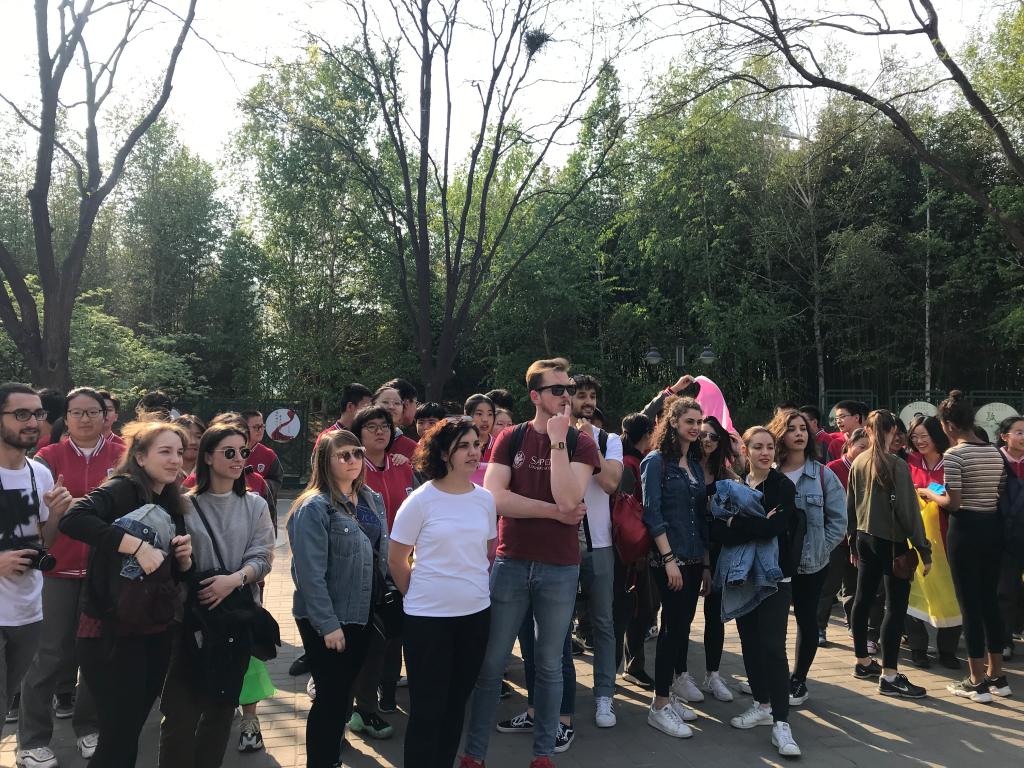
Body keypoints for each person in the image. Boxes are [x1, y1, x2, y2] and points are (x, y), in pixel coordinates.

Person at [460, 357, 599, 768]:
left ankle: (542, 755)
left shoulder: (580, 442)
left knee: (550, 664)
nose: (566, 395)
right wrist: (555, 513)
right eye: (557, 389)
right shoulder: (511, 437)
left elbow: (571, 498)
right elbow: (495, 498)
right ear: (535, 395)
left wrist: (557, 441)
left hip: (559, 567)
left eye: (569, 388)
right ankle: (474, 754)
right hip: (512, 562)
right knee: (491, 664)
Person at [58, 418, 194, 768]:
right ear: (140, 456)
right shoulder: (122, 488)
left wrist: (183, 561)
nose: (175, 460)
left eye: (179, 452)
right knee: (118, 734)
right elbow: (74, 519)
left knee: (128, 731)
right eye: (165, 451)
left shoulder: (171, 500)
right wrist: (135, 545)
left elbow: (168, 576)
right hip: (110, 632)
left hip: (154, 629)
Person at [158, 420, 275, 767]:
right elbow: (172, 565)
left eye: (243, 452)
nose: (239, 459)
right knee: (179, 713)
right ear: (207, 457)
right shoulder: (183, 504)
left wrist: (234, 580)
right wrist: (183, 562)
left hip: (235, 621)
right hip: (192, 620)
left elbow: (263, 557)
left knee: (221, 711)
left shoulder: (255, 504)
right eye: (229, 452)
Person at [17, 388, 123, 766]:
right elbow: (38, 516)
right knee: (48, 655)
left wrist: (73, 507)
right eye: (76, 412)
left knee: (96, 654)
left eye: (93, 411)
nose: (85, 419)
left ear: (105, 416)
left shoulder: (123, 456)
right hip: (57, 570)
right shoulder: (47, 457)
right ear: (66, 416)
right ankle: (32, 741)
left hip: (104, 571)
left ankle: (89, 728)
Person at [388, 420, 496, 768]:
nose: (473, 452)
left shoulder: (485, 499)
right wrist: (418, 595)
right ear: (443, 453)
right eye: (464, 445)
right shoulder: (421, 501)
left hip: (475, 616)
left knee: (455, 706)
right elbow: (396, 559)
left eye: (476, 444)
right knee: (427, 710)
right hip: (428, 621)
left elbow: (488, 552)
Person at [288, 429, 388, 768]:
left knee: (343, 692)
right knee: (330, 698)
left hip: (363, 611)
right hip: (328, 617)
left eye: (357, 453)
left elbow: (380, 553)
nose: (353, 460)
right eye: (343, 455)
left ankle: (330, 755)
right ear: (324, 461)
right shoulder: (314, 507)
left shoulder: (370, 498)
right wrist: (328, 624)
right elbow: (308, 574)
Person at [710, 426, 802, 757]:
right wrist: (748, 524)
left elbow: (774, 527)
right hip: (741, 575)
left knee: (773, 647)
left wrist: (737, 523)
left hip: (775, 578)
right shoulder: (734, 486)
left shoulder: (782, 485)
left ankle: (782, 723)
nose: (765, 453)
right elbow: (719, 531)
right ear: (745, 450)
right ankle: (762, 705)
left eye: (769, 447)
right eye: (758, 447)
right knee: (749, 642)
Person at [846, 409, 931, 699]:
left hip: (864, 538)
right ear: (892, 431)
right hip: (892, 543)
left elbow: (850, 504)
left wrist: (852, 540)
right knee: (894, 608)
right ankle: (890, 676)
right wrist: (924, 549)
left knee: (863, 598)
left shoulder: (859, 461)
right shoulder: (896, 465)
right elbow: (909, 514)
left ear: (868, 431)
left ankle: (862, 661)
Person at [1, 384, 69, 737]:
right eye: (21, 414)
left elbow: (46, 541)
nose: (32, 422)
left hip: (27, 610)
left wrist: (56, 514)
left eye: (37, 414)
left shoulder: (39, 473)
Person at [766, 409, 847, 707]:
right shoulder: (769, 473)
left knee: (806, 619)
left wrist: (819, 548)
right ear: (780, 434)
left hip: (811, 563)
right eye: (791, 428)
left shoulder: (822, 475)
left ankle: (798, 680)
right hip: (772, 562)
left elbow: (838, 521)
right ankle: (769, 675)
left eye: (803, 428)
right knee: (770, 621)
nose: (799, 433)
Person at [934, 391, 1010, 703]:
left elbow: (953, 503)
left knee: (969, 606)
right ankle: (997, 675)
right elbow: (999, 491)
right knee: (989, 601)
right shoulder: (995, 452)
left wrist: (930, 493)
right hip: (992, 528)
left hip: (965, 530)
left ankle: (976, 681)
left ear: (949, 425)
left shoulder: (954, 455)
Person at [640, 396, 708, 738]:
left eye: (699, 422)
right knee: (671, 631)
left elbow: (700, 515)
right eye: (689, 422)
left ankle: (669, 694)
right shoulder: (656, 462)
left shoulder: (694, 463)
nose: (695, 428)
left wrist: (705, 563)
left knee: (680, 629)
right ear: (674, 423)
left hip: (694, 558)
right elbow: (652, 513)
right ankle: (660, 705)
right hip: (670, 559)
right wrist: (669, 560)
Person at [349, 405, 415, 737]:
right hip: (364, 567)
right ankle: (361, 705)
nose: (380, 432)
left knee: (395, 633)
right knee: (368, 639)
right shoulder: (351, 469)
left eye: (385, 426)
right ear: (358, 433)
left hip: (401, 562)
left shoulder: (403, 467)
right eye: (371, 426)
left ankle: (386, 695)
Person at [570, 375, 623, 728]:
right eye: (581, 395)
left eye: (592, 396)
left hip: (600, 543)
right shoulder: (553, 438)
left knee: (604, 622)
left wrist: (591, 442)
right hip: (559, 544)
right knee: (557, 625)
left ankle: (605, 695)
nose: (588, 402)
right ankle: (561, 694)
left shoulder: (609, 439)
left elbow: (610, 483)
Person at [905, 415, 962, 670]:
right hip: (914, 540)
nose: (919, 442)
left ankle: (947, 650)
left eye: (924, 436)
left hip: (947, 539)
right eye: (915, 437)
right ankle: (918, 649)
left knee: (950, 593)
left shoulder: (951, 462)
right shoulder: (908, 462)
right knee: (914, 593)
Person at [696, 415, 737, 702]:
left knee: (715, 616)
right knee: (681, 617)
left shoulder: (726, 476)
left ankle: (713, 674)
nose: (707, 440)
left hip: (719, 552)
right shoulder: (685, 470)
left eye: (713, 436)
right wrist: (704, 564)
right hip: (690, 551)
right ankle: (679, 676)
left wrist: (737, 452)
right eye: (702, 435)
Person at [817, 428, 869, 644]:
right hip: (836, 538)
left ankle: (854, 625)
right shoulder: (832, 469)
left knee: (854, 586)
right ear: (849, 445)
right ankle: (819, 628)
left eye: (870, 448)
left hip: (860, 536)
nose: (865, 452)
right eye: (862, 447)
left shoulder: (869, 469)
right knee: (829, 586)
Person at [618, 413, 657, 690]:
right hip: (634, 551)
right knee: (640, 609)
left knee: (643, 608)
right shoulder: (630, 465)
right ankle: (632, 666)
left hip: (637, 549)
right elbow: (625, 515)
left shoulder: (634, 460)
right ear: (646, 434)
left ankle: (632, 664)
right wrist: (637, 552)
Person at [997, 415, 1024, 660]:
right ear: (1004, 436)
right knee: (1006, 590)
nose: (1023, 437)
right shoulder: (996, 461)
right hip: (1003, 537)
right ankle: (1004, 640)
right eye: (1019, 432)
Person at [241, 410, 284, 509]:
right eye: (256, 427)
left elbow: (277, 480)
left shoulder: (269, 454)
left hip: (260, 508)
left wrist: (260, 484)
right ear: (243, 428)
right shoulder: (232, 451)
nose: (260, 430)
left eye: (262, 426)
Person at [373, 386, 418, 459]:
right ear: (372, 405)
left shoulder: (413, 449)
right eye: (385, 402)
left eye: (397, 403)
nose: (391, 407)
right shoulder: (357, 440)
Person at [465, 394, 497, 485]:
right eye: (479, 414)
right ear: (467, 415)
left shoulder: (500, 445)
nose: (485, 419)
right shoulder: (457, 445)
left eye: (490, 414)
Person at [173, 414, 207, 482]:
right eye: (186, 435)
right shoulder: (164, 470)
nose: (193, 442)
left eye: (198, 437)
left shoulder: (211, 472)